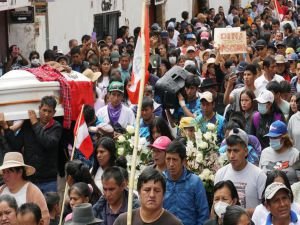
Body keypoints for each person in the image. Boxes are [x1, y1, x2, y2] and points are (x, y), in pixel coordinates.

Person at [0, 96, 62, 192]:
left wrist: (35, 124)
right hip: (30, 178)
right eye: (44, 110)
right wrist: (6, 128)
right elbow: (16, 145)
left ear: (54, 113)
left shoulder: (56, 127)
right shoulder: (28, 125)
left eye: (49, 111)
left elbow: (48, 143)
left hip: (48, 179)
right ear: (39, 109)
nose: (46, 114)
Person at [215, 128, 267, 214]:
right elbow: (215, 206)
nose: (231, 155)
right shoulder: (220, 174)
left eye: (236, 151)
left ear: (246, 151)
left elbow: (266, 208)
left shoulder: (259, 175)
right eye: (229, 151)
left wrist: (241, 214)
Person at [114, 167, 183, 225]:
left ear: (164, 194)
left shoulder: (174, 223)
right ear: (139, 192)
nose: (152, 195)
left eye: (157, 190)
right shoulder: (123, 221)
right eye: (147, 190)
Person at [163, 140, 209, 225]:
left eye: (175, 160)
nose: (171, 164)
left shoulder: (195, 182)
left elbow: (203, 213)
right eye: (168, 159)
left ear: (183, 161)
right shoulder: (161, 180)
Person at [0, 152, 50, 225]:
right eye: (4, 172)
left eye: (8, 172)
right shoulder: (1, 190)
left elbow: (44, 217)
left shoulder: (33, 191)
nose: (5, 176)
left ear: (20, 172)